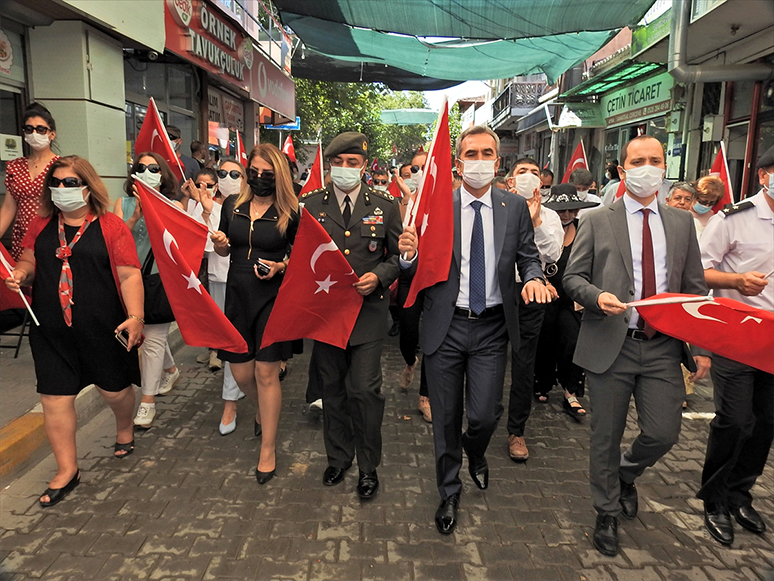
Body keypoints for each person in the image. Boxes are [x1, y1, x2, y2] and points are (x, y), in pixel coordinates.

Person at [563, 135, 711, 557]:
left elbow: (694, 289)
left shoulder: (682, 224)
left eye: (656, 160)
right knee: (604, 436)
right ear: (623, 169)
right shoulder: (597, 219)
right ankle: (606, 509)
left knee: (664, 432)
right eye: (638, 161)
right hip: (612, 343)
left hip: (663, 347)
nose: (648, 168)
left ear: (664, 168)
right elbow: (573, 279)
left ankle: (625, 474)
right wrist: (595, 297)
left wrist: (702, 347)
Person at [402, 126, 549, 535]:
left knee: (484, 416)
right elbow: (415, 269)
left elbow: (527, 256)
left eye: (488, 153)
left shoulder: (514, 207)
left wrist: (534, 277)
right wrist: (407, 254)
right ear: (458, 161)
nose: (480, 160)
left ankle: (476, 449)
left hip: (491, 329)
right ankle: (449, 490)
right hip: (445, 327)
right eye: (472, 153)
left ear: (497, 162)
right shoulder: (436, 206)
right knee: (445, 418)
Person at [5, 155, 143, 507]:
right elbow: (29, 261)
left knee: (114, 392)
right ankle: (68, 469)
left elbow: (129, 274)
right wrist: (21, 275)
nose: (62, 189)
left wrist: (136, 317)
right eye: (56, 183)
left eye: (70, 183)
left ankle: (124, 427)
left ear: (87, 186)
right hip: (51, 329)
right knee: (54, 399)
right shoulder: (40, 225)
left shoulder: (112, 226)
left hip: (102, 327)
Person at [299, 131, 402, 500]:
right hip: (326, 315)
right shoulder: (310, 204)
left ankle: (369, 466)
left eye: (352, 163)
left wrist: (380, 275)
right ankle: (339, 457)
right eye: (338, 163)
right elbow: (300, 257)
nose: (344, 169)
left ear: (363, 165)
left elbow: (397, 256)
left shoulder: (385, 205)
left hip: (367, 314)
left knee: (364, 390)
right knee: (334, 389)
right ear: (330, 165)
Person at [696, 144, 774, 547]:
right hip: (737, 332)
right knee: (735, 420)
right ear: (764, 176)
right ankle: (714, 500)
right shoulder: (734, 219)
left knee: (765, 423)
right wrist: (737, 282)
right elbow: (700, 271)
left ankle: (741, 493)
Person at [211, 146, 299, 486]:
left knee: (266, 372)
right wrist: (219, 243)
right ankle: (263, 409)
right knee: (241, 371)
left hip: (273, 296)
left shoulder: (290, 211)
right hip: (237, 293)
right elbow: (225, 247)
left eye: (267, 173)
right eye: (254, 171)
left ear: (278, 176)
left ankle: (268, 448)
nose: (259, 178)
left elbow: (301, 256)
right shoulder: (232, 206)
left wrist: (279, 266)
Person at [114, 153, 182, 429]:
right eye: (140, 167)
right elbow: (115, 241)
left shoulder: (173, 204)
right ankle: (171, 370)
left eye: (153, 168)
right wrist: (134, 218)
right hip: (129, 280)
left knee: (152, 339)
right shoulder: (123, 203)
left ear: (162, 174)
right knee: (148, 332)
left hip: (159, 281)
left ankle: (147, 402)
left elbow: (178, 243)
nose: (146, 171)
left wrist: (157, 213)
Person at [502, 158, 563, 461]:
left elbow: (551, 256)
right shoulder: (497, 210)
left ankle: (517, 430)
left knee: (524, 364)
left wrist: (535, 222)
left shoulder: (550, 217)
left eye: (534, 173)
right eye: (521, 173)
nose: (528, 177)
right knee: (490, 359)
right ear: (510, 182)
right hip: (498, 293)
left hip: (532, 294)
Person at [534, 185, 599, 419]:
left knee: (572, 342)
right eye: (562, 210)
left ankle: (570, 391)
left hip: (571, 299)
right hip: (544, 295)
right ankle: (541, 383)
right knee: (544, 341)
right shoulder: (541, 227)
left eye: (571, 210)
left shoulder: (584, 231)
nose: (566, 215)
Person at [394, 150, 432, 422]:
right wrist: (407, 199)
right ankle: (410, 361)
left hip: (437, 281)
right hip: (409, 278)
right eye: (414, 169)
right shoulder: (403, 204)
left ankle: (426, 396)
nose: (419, 174)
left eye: (424, 168)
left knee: (433, 340)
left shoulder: (448, 203)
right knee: (408, 335)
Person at [1, 103, 60, 260]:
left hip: (53, 234)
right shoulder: (15, 166)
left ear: (52, 134)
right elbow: (8, 207)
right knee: (23, 278)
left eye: (40, 129)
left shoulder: (61, 166)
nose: (35, 134)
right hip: (23, 237)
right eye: (29, 129)